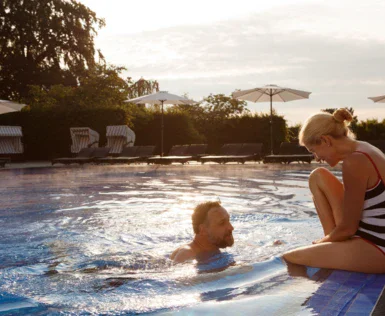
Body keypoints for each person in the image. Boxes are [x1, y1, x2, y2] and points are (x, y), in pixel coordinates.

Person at [283, 108, 385, 273]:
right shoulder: (363, 148)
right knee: (318, 176)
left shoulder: (355, 161)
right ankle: (333, 246)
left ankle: (330, 249)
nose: (317, 158)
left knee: (290, 257)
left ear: (325, 140)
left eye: (314, 151)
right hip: (371, 233)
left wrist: (320, 243)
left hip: (378, 246)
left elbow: (348, 228)